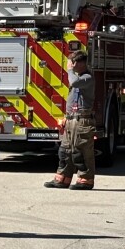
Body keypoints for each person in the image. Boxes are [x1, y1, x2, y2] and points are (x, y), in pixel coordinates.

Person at [45, 49, 95, 190]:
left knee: (81, 151)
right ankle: (63, 178)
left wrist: (69, 70)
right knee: (65, 150)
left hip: (83, 120)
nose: (71, 65)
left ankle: (85, 179)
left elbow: (74, 82)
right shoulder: (78, 76)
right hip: (71, 119)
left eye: (73, 62)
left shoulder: (87, 78)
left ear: (80, 63)